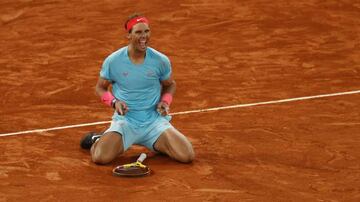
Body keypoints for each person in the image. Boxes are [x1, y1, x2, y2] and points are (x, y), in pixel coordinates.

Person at [80, 14, 195, 164]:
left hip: (154, 123)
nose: (144, 36)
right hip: (126, 123)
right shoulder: (113, 61)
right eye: (139, 32)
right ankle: (100, 139)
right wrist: (114, 102)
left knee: (187, 155)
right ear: (129, 35)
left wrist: (165, 102)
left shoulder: (160, 60)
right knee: (100, 158)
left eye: (147, 31)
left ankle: (158, 144)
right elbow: (100, 88)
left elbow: (170, 84)